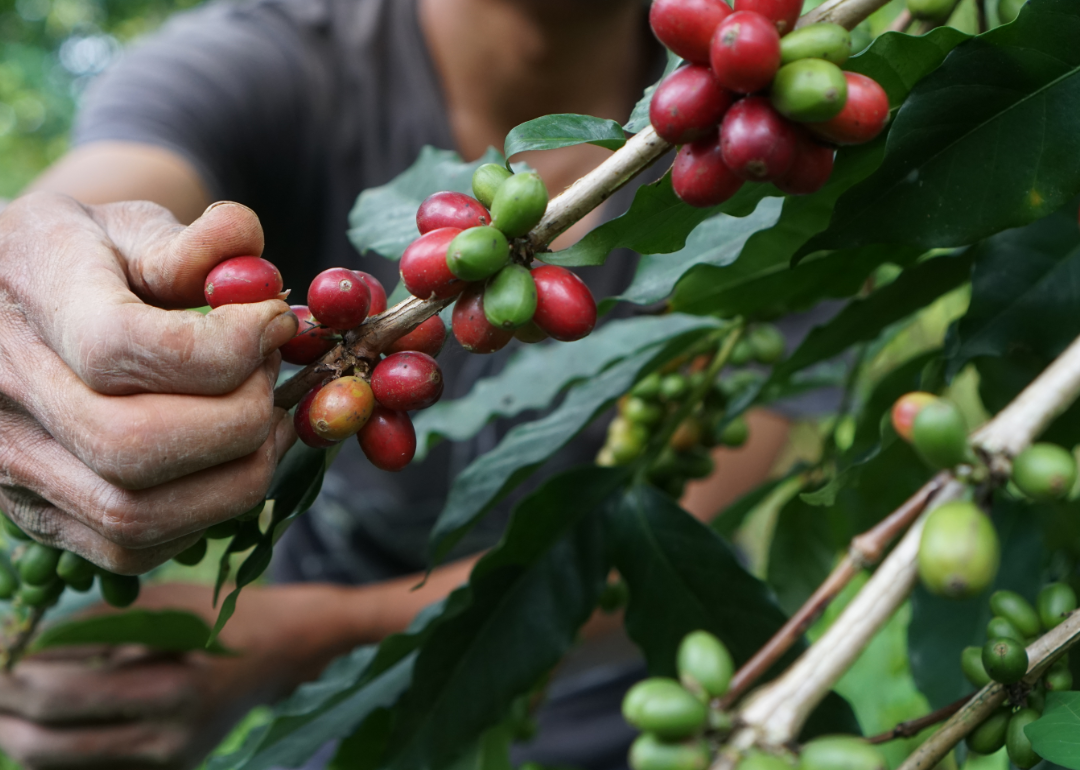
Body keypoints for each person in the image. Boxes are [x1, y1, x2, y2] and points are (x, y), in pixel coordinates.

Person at [0, 0, 806, 767]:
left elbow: (675, 529)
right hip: (340, 721)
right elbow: (102, 196)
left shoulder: (773, 157)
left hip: (628, 710)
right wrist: (41, 269)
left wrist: (309, 635)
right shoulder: (273, 59)